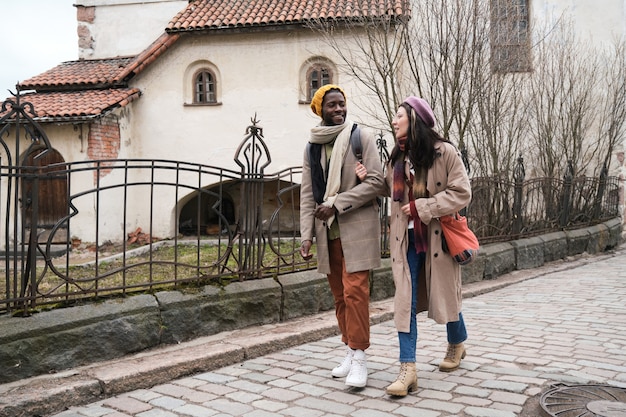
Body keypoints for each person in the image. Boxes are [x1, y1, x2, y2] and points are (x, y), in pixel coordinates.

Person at [382, 96, 472, 397]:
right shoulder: (396, 158)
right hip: (405, 241)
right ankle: (408, 369)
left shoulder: (444, 153)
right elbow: (383, 188)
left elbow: (462, 193)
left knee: (444, 296)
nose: (394, 121)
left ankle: (457, 343)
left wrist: (425, 206)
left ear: (414, 119)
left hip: (438, 240)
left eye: (399, 116)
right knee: (405, 302)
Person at [299, 84, 384, 388]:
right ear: (320, 109)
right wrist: (305, 235)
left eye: (342, 104)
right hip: (327, 233)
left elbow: (376, 183)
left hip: (357, 228)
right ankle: (349, 348)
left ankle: (360, 357)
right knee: (339, 297)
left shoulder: (361, 137)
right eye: (332, 105)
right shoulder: (312, 146)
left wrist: (336, 203)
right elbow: (308, 193)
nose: (339, 110)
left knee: (356, 292)